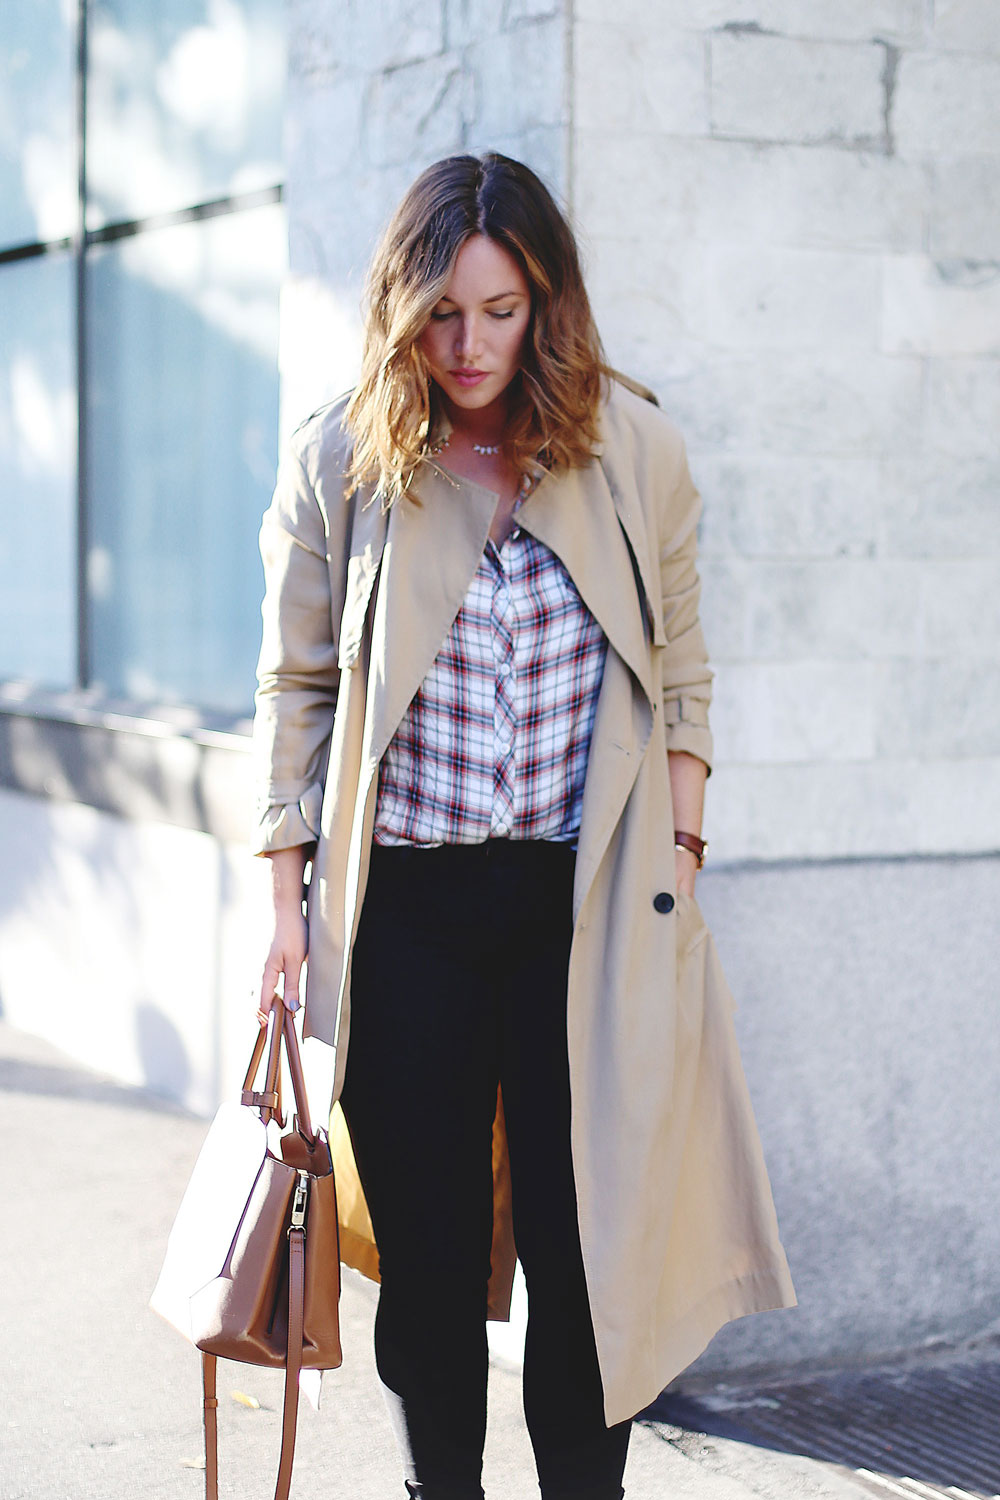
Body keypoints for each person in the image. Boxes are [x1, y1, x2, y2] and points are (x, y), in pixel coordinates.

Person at [252, 152, 795, 1500]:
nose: (471, 345)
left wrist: (679, 860)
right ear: (402, 311)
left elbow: (681, 675)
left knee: (589, 1253)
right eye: (443, 314)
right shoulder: (345, 457)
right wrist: (281, 912)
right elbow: (296, 685)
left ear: (546, 301)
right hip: (414, 919)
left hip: (587, 910)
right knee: (430, 1269)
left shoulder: (634, 449)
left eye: (500, 312)